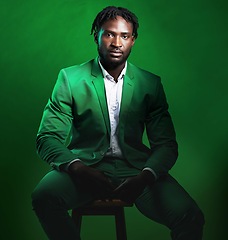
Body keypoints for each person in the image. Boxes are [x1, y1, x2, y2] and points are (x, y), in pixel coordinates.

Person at [32, 6, 205, 240]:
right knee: (44, 197)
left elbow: (166, 145)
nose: (116, 42)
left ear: (133, 40)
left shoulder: (150, 84)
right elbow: (47, 138)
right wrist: (79, 169)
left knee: (190, 215)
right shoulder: (70, 79)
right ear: (97, 35)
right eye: (109, 34)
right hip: (85, 167)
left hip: (136, 170)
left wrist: (145, 177)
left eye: (124, 36)